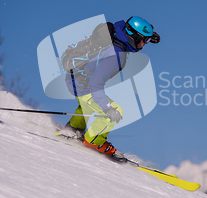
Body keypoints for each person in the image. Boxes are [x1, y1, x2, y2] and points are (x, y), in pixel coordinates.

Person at [59, 16, 160, 160]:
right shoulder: (116, 56)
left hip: (76, 77)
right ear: (134, 38)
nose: (144, 45)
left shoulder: (117, 34)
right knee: (114, 111)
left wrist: (151, 36)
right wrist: (107, 108)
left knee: (91, 104)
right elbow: (95, 84)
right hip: (82, 85)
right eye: (145, 40)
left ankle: (74, 128)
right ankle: (94, 141)